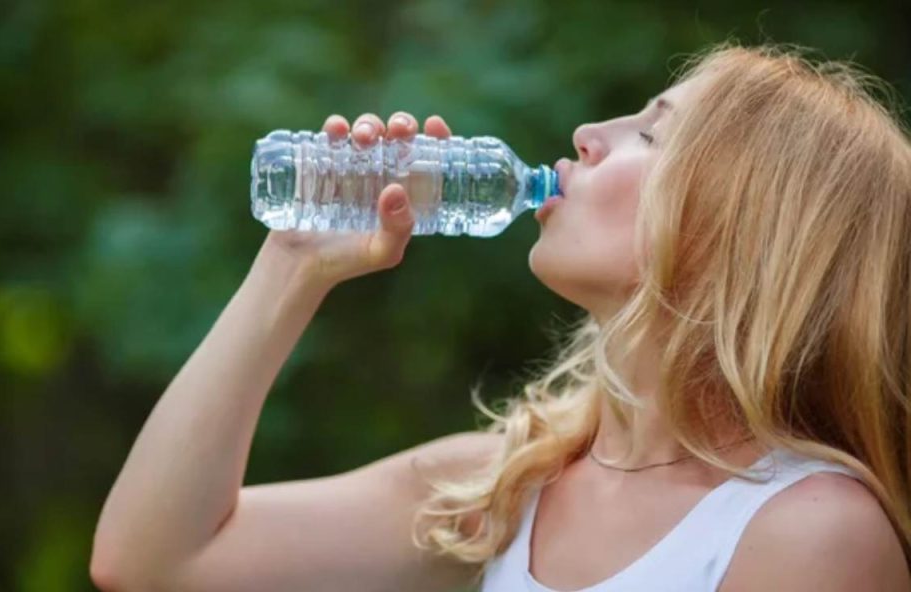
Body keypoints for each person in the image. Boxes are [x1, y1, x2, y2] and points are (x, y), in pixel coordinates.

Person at [89, 42, 911, 591]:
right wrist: (292, 266)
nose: (589, 135)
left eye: (652, 137)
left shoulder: (810, 535)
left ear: (746, 229)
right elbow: (154, 559)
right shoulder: (512, 484)